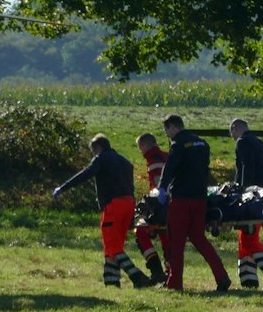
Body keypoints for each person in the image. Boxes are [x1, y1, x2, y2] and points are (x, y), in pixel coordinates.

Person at [51, 134, 152, 288]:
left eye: (93, 151)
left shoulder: (102, 159)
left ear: (98, 147)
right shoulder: (124, 162)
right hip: (128, 204)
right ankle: (111, 281)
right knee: (115, 245)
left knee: (112, 245)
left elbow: (86, 174)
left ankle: (137, 277)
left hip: (113, 205)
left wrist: (63, 188)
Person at [156, 114, 231, 291]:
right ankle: (222, 276)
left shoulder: (178, 144)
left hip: (181, 199)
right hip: (200, 198)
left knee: (177, 242)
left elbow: (170, 168)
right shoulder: (203, 144)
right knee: (199, 238)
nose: (168, 135)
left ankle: (175, 283)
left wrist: (162, 188)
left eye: (167, 131)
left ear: (172, 127)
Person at [228, 118, 263, 289]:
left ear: (235, 128)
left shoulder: (242, 142)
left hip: (253, 196)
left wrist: (241, 191)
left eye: (231, 133)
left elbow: (245, 168)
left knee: (249, 237)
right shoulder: (259, 142)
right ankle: (248, 278)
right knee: (246, 236)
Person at [132, 132, 168, 282]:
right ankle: (170, 272)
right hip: (170, 204)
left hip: (160, 206)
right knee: (167, 239)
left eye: (141, 148)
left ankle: (156, 270)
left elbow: (158, 184)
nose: (141, 152)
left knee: (141, 232)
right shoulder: (165, 156)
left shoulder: (154, 160)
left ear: (146, 145)